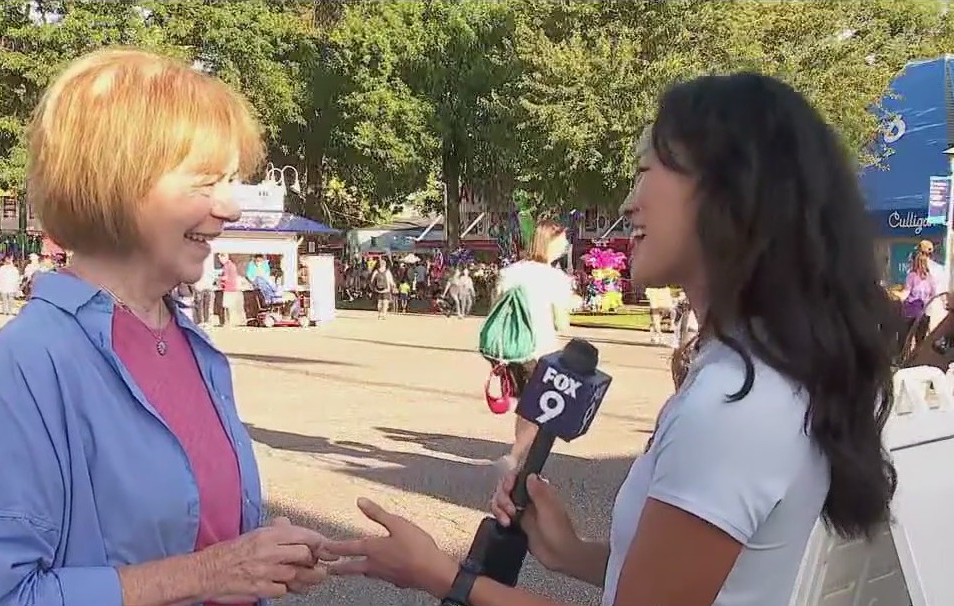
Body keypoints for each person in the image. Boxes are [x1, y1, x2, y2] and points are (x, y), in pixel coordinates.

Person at [325, 73, 897, 606]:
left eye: (648, 171)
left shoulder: (735, 403)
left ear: (730, 191)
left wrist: (440, 574)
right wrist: (569, 553)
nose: (628, 202)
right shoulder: (753, 373)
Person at [0, 48, 330, 606]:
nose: (232, 208)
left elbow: (200, 536)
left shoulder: (195, 348)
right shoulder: (28, 365)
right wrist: (207, 573)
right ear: (117, 181)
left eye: (232, 181)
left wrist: (256, 553)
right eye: (207, 182)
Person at [490, 220, 573, 474]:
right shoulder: (555, 278)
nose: (566, 246)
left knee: (525, 409)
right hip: (541, 349)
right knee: (540, 411)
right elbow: (562, 322)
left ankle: (520, 460)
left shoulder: (510, 272)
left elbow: (496, 306)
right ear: (551, 242)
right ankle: (517, 460)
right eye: (563, 241)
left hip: (511, 350)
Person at [901, 250, 935, 353]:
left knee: (906, 340)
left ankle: (904, 361)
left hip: (910, 313)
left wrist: (897, 297)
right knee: (920, 341)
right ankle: (916, 361)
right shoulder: (930, 278)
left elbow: (906, 293)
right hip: (924, 313)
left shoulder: (911, 276)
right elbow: (933, 295)